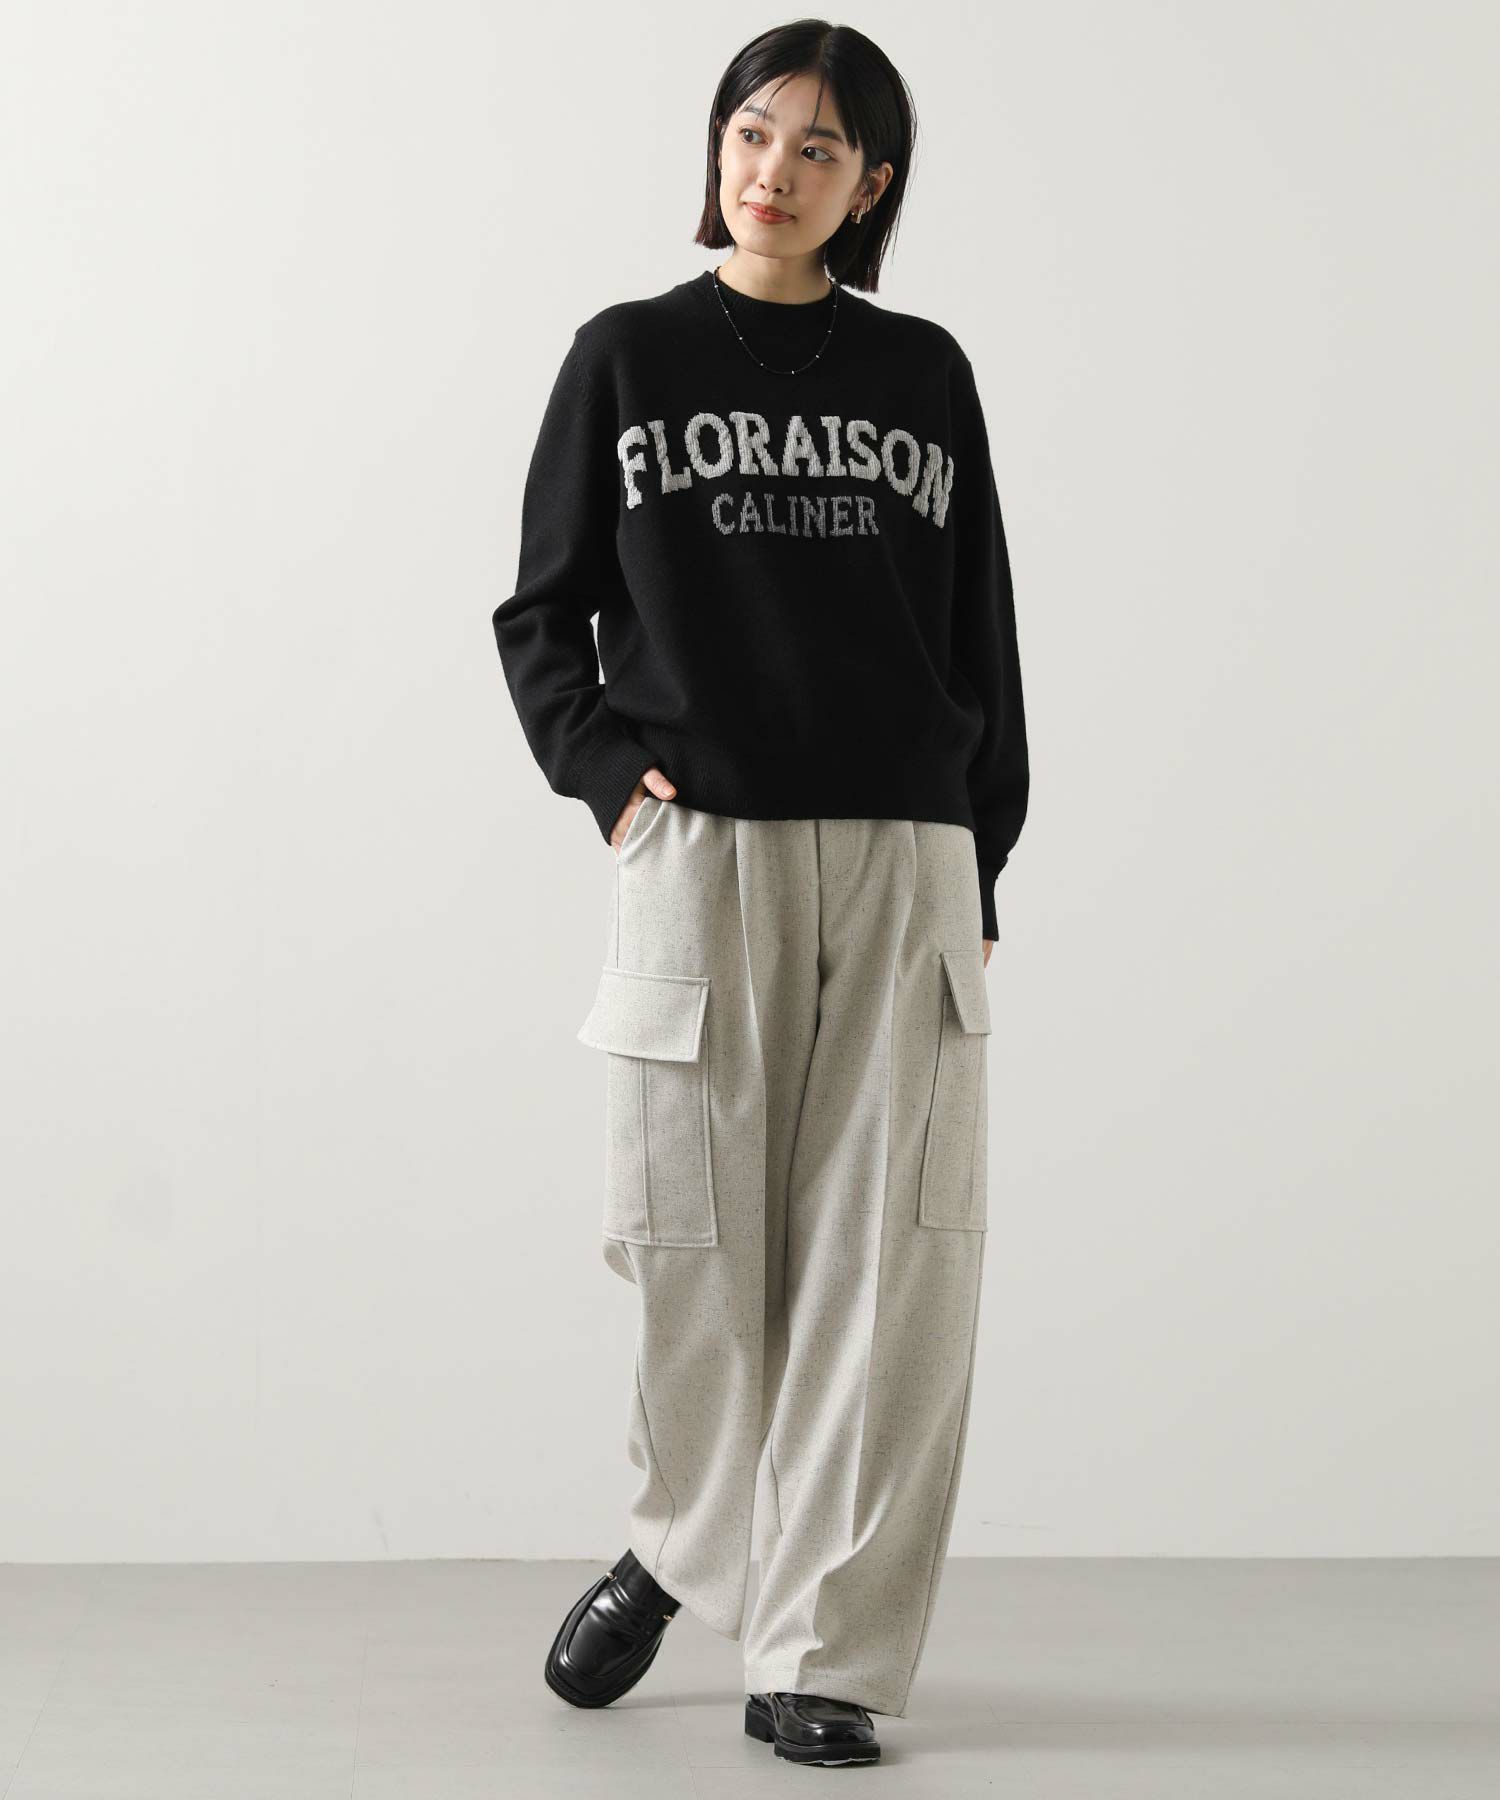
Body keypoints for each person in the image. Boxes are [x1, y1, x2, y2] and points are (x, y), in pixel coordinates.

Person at [492, 19, 1029, 1770]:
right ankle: (683, 1539)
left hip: (902, 849)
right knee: (692, 1238)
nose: (774, 171)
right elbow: (540, 609)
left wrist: (981, 847)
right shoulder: (628, 355)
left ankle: (823, 1656)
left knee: (895, 1262)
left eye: (818, 147)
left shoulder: (922, 371)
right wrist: (604, 776)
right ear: (716, 146)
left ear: (872, 184)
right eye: (751, 132)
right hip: (700, 841)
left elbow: (979, 627)